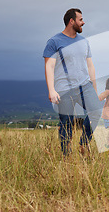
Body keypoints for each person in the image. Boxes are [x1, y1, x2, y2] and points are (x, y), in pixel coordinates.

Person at [43, 8, 102, 156]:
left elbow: (90, 65)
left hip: (84, 85)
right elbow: (49, 66)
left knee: (96, 111)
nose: (83, 22)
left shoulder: (84, 42)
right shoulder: (54, 42)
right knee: (66, 123)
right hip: (64, 88)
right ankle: (66, 156)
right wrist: (51, 90)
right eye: (80, 19)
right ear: (71, 21)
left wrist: (94, 89)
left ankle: (84, 143)